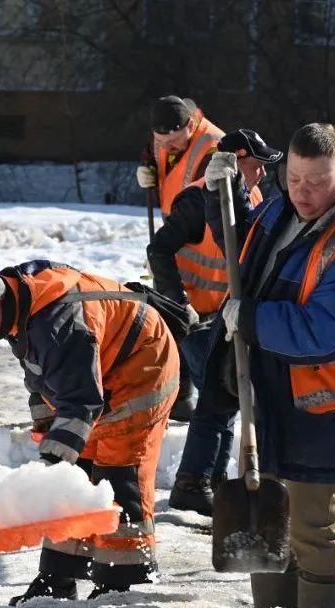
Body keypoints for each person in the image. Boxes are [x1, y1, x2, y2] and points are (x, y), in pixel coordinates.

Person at [199, 123, 335, 608]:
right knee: (270, 521)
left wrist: (250, 320)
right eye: (294, 179)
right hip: (277, 402)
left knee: (311, 528)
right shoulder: (281, 209)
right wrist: (222, 191)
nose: (304, 193)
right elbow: (243, 244)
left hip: (330, 413)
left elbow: (327, 331)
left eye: (317, 181)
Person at [0, 258, 179, 605]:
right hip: (98, 373)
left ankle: (121, 581)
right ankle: (59, 577)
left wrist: (54, 458)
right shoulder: (17, 309)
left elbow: (81, 400)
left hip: (141, 368)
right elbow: (41, 378)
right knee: (74, 475)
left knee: (118, 470)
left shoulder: (55, 323)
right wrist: (46, 429)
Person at [145, 129, 281, 515]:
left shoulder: (247, 195)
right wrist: (178, 302)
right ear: (238, 161)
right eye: (258, 165)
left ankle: (208, 480)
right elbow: (159, 249)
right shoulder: (196, 198)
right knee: (216, 402)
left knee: (223, 399)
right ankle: (193, 482)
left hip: (225, 316)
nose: (263, 175)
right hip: (196, 318)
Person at [135, 95, 224, 421]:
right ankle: (180, 398)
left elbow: (206, 198)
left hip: (206, 255)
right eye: (161, 141)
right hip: (174, 250)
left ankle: (211, 404)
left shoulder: (212, 148)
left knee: (198, 328)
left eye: (173, 141)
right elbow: (155, 153)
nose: (166, 147)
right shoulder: (165, 139)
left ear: (191, 124)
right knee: (173, 321)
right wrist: (147, 165)